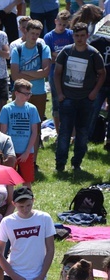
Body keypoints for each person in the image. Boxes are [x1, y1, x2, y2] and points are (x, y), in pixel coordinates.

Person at [0, 187, 55, 280]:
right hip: (14, 277)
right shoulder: (7, 222)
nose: (25, 209)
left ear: (33, 201)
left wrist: (41, 277)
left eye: (28, 205)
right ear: (14, 204)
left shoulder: (44, 218)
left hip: (36, 278)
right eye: (21, 206)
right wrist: (14, 276)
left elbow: (51, 249)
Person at [54, 22, 105, 172]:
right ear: (73, 36)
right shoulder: (66, 51)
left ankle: (76, 163)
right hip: (67, 98)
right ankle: (60, 165)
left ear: (87, 36)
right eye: (77, 35)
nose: (80, 38)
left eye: (83, 35)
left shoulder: (93, 54)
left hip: (86, 100)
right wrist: (60, 94)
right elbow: (57, 73)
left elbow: (102, 73)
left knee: (82, 133)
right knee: (64, 133)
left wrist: (95, 92)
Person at [0, 80, 40, 187]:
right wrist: (6, 152)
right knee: (9, 181)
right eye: (25, 93)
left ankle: (27, 201)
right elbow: (3, 133)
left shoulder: (32, 109)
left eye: (29, 93)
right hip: (10, 151)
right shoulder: (7, 109)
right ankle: (9, 201)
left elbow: (34, 132)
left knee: (27, 180)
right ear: (16, 93)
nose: (28, 96)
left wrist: (27, 152)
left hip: (27, 151)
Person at [10, 19, 51, 126]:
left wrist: (24, 72)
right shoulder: (17, 50)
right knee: (18, 124)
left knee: (36, 124)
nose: (34, 36)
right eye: (32, 33)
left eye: (37, 34)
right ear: (26, 32)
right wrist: (37, 74)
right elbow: (15, 76)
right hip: (20, 93)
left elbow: (45, 73)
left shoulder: (44, 48)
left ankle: (37, 142)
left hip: (38, 92)